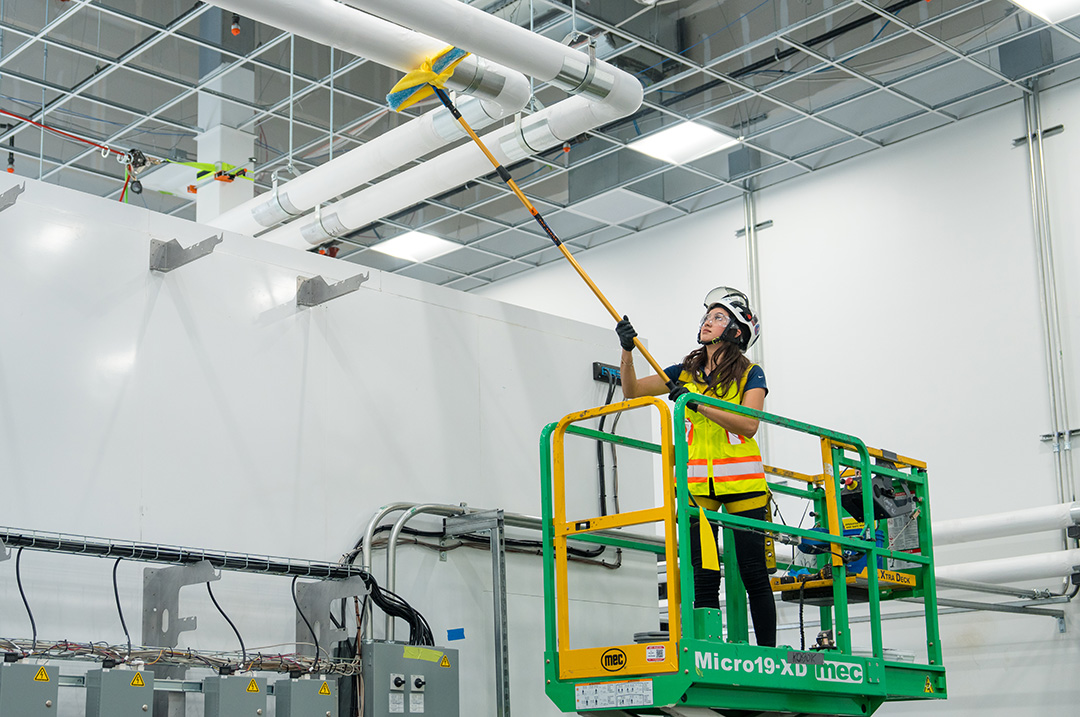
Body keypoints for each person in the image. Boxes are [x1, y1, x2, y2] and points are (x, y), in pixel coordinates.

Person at [615, 287, 776, 648]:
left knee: (754, 573)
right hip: (697, 489)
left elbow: (749, 423)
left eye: (719, 317)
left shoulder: (751, 373)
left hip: (743, 484)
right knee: (703, 575)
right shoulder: (684, 372)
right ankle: (706, 650)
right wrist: (626, 350)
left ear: (736, 331)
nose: (707, 321)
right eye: (707, 316)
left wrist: (694, 402)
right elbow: (631, 390)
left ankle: (767, 653)